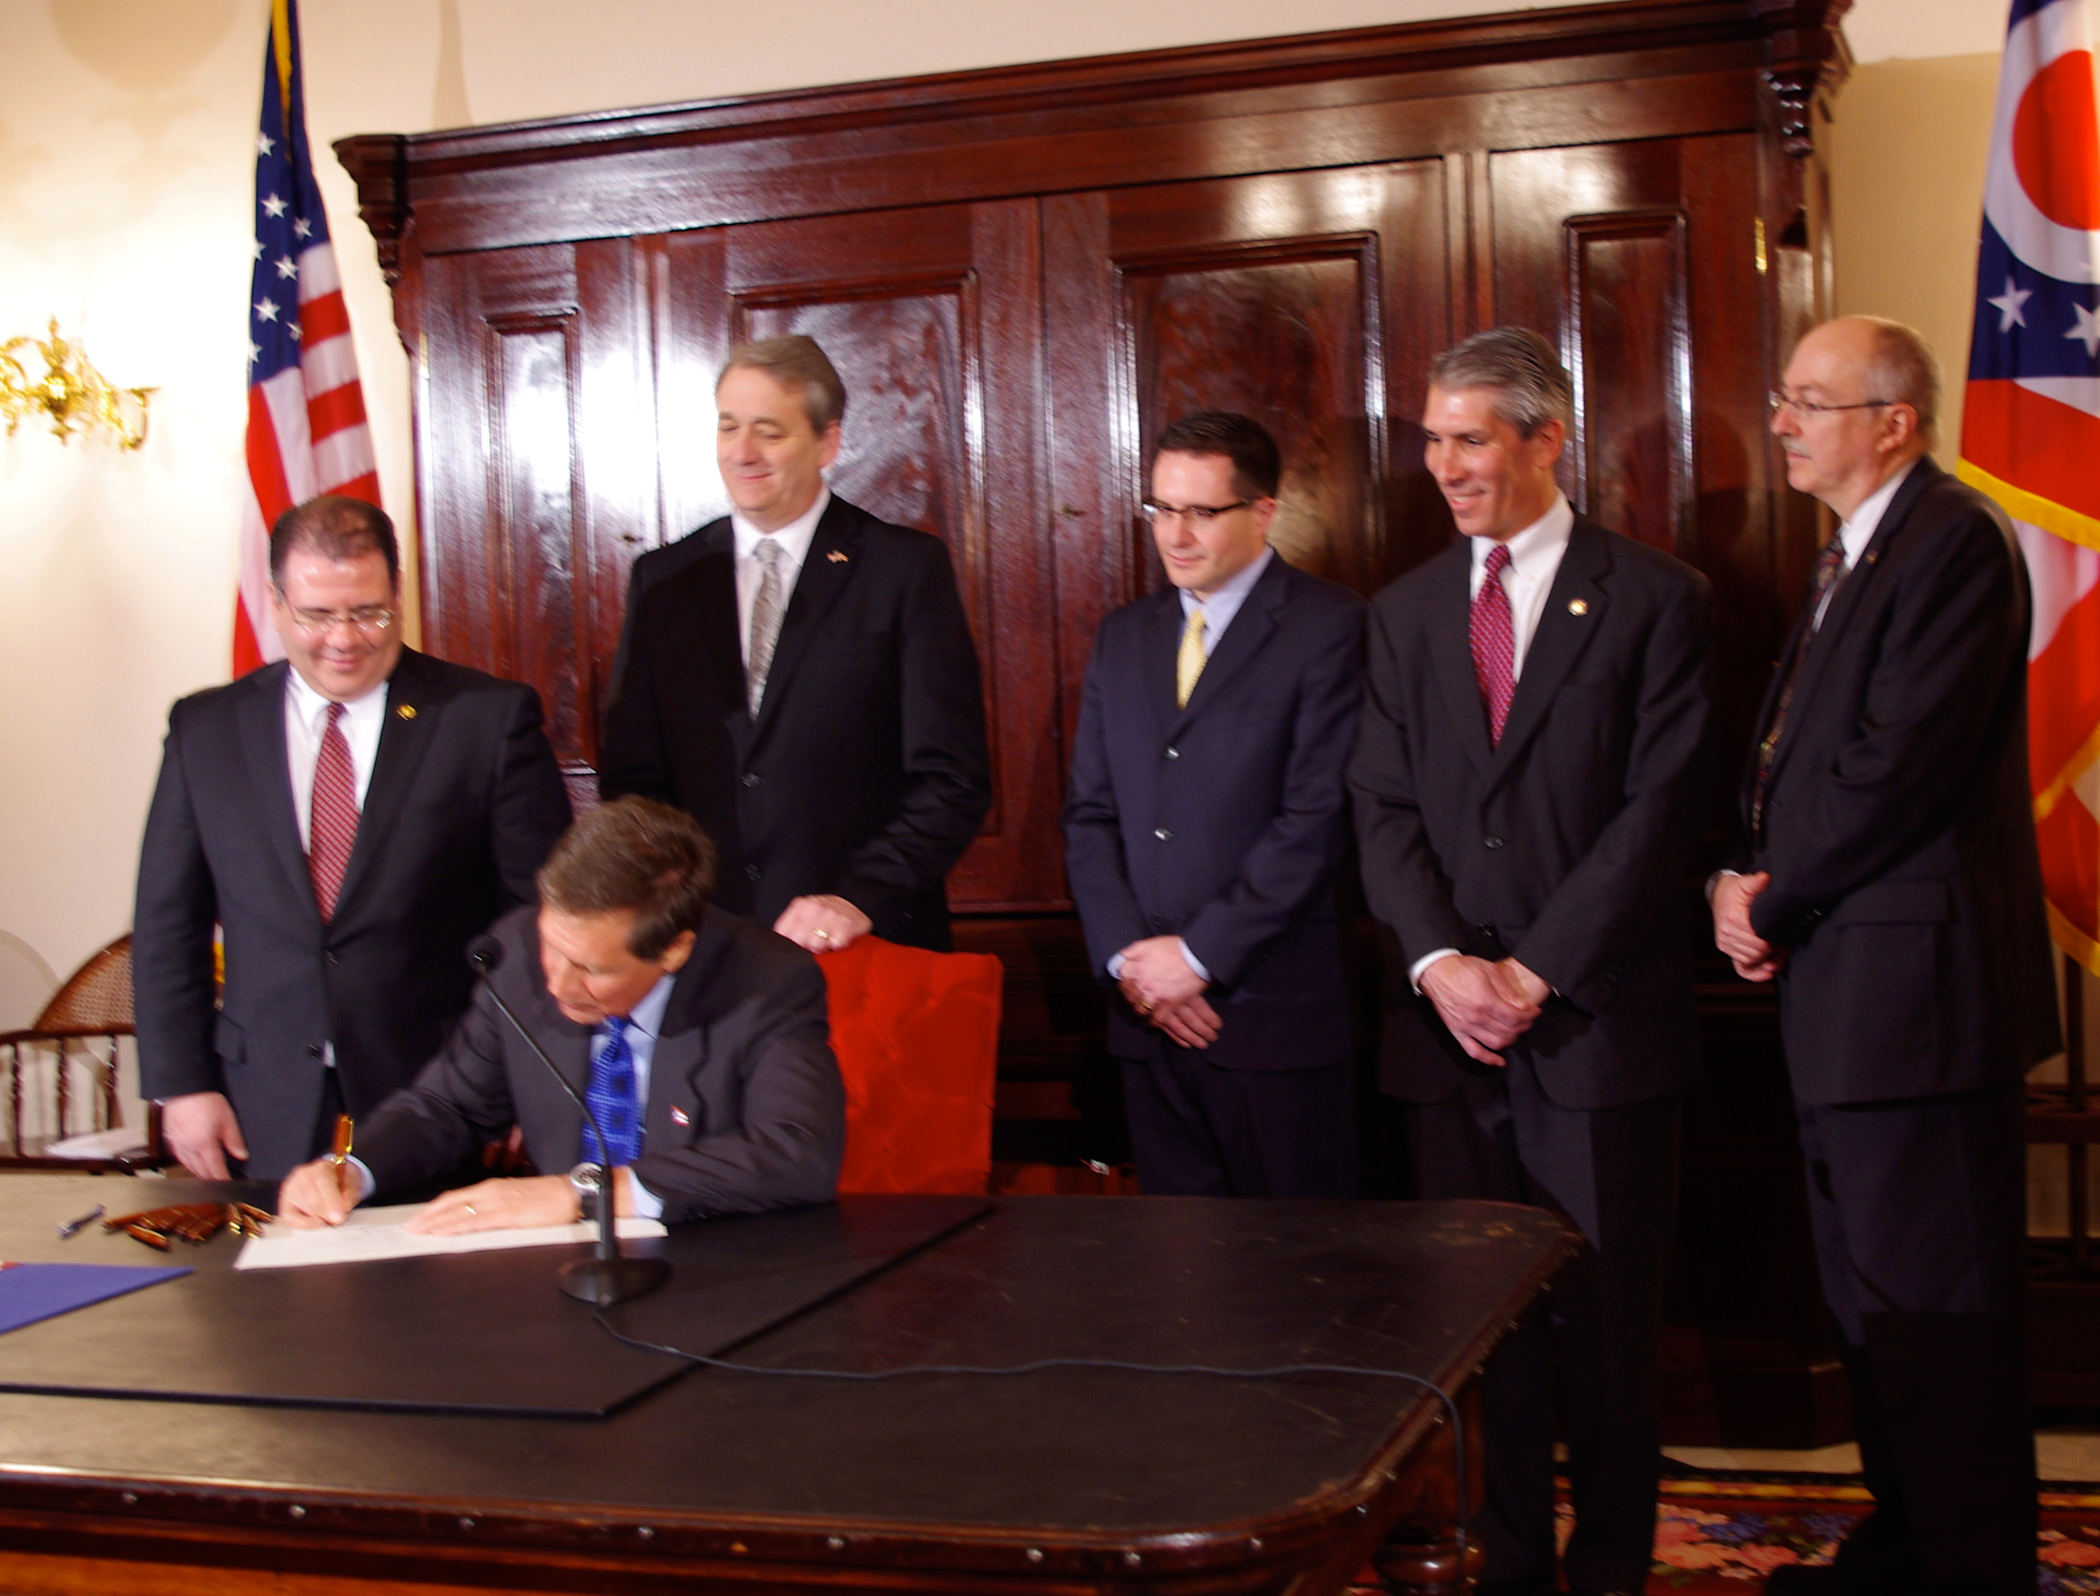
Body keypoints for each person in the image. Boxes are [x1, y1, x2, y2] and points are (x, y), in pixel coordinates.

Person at [1350, 329, 1715, 1596]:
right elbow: (1381, 810)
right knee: (1478, 1331)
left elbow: (1661, 812)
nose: (1445, 467)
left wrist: (1537, 972)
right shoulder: (1399, 615)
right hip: (1447, 1039)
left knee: (1610, 1334)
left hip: (1594, 1028)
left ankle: (1609, 1568)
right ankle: (1503, 1563)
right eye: (1433, 442)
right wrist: (1446, 963)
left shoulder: (1657, 596)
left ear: (1545, 437)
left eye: (1470, 439)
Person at [1712, 317, 2057, 1596]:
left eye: (1809, 401)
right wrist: (1733, 884)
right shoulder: (1847, 556)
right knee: (1872, 1313)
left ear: (1893, 423)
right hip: (1844, 998)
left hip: (1919, 1005)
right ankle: (1909, 1540)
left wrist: (1774, 897)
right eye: (1784, 395)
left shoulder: (1952, 541)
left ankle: (1971, 1569)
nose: (1785, 423)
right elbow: (1786, 765)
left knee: (1940, 1319)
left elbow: (1892, 772)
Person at [134, 496, 572, 1184]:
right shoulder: (206, 730)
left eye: (368, 612)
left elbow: (538, 922)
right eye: (317, 615)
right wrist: (182, 1083)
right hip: (261, 1101)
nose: (344, 638)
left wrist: (531, 1075)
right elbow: (167, 924)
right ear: (277, 604)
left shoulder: (484, 721)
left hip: (440, 1094)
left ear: (398, 596)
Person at [278, 796, 844, 1231]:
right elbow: (447, 1106)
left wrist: (586, 1192)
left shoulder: (766, 981)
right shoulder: (516, 952)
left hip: (715, 1272)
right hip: (554, 1281)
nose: (557, 982)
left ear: (673, 950)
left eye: (593, 969)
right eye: (552, 946)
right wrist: (351, 1168)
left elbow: (798, 1152)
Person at [599, 334, 990, 955]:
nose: (742, 452)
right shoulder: (664, 580)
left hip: (864, 947)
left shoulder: (901, 570)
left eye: (769, 432)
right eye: (728, 428)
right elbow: (631, 778)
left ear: (827, 442)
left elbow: (953, 778)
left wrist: (859, 897)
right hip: (710, 948)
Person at [1062, 412, 1365, 1196]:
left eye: (1201, 511)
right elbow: (1091, 816)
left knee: (1297, 1280)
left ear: (1263, 511)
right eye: (1162, 508)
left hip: (1269, 1020)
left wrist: (1198, 960)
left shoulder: (1330, 627)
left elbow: (1315, 822)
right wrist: (1136, 962)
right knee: (1181, 1286)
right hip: (1144, 1024)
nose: (1175, 534)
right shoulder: (1124, 637)